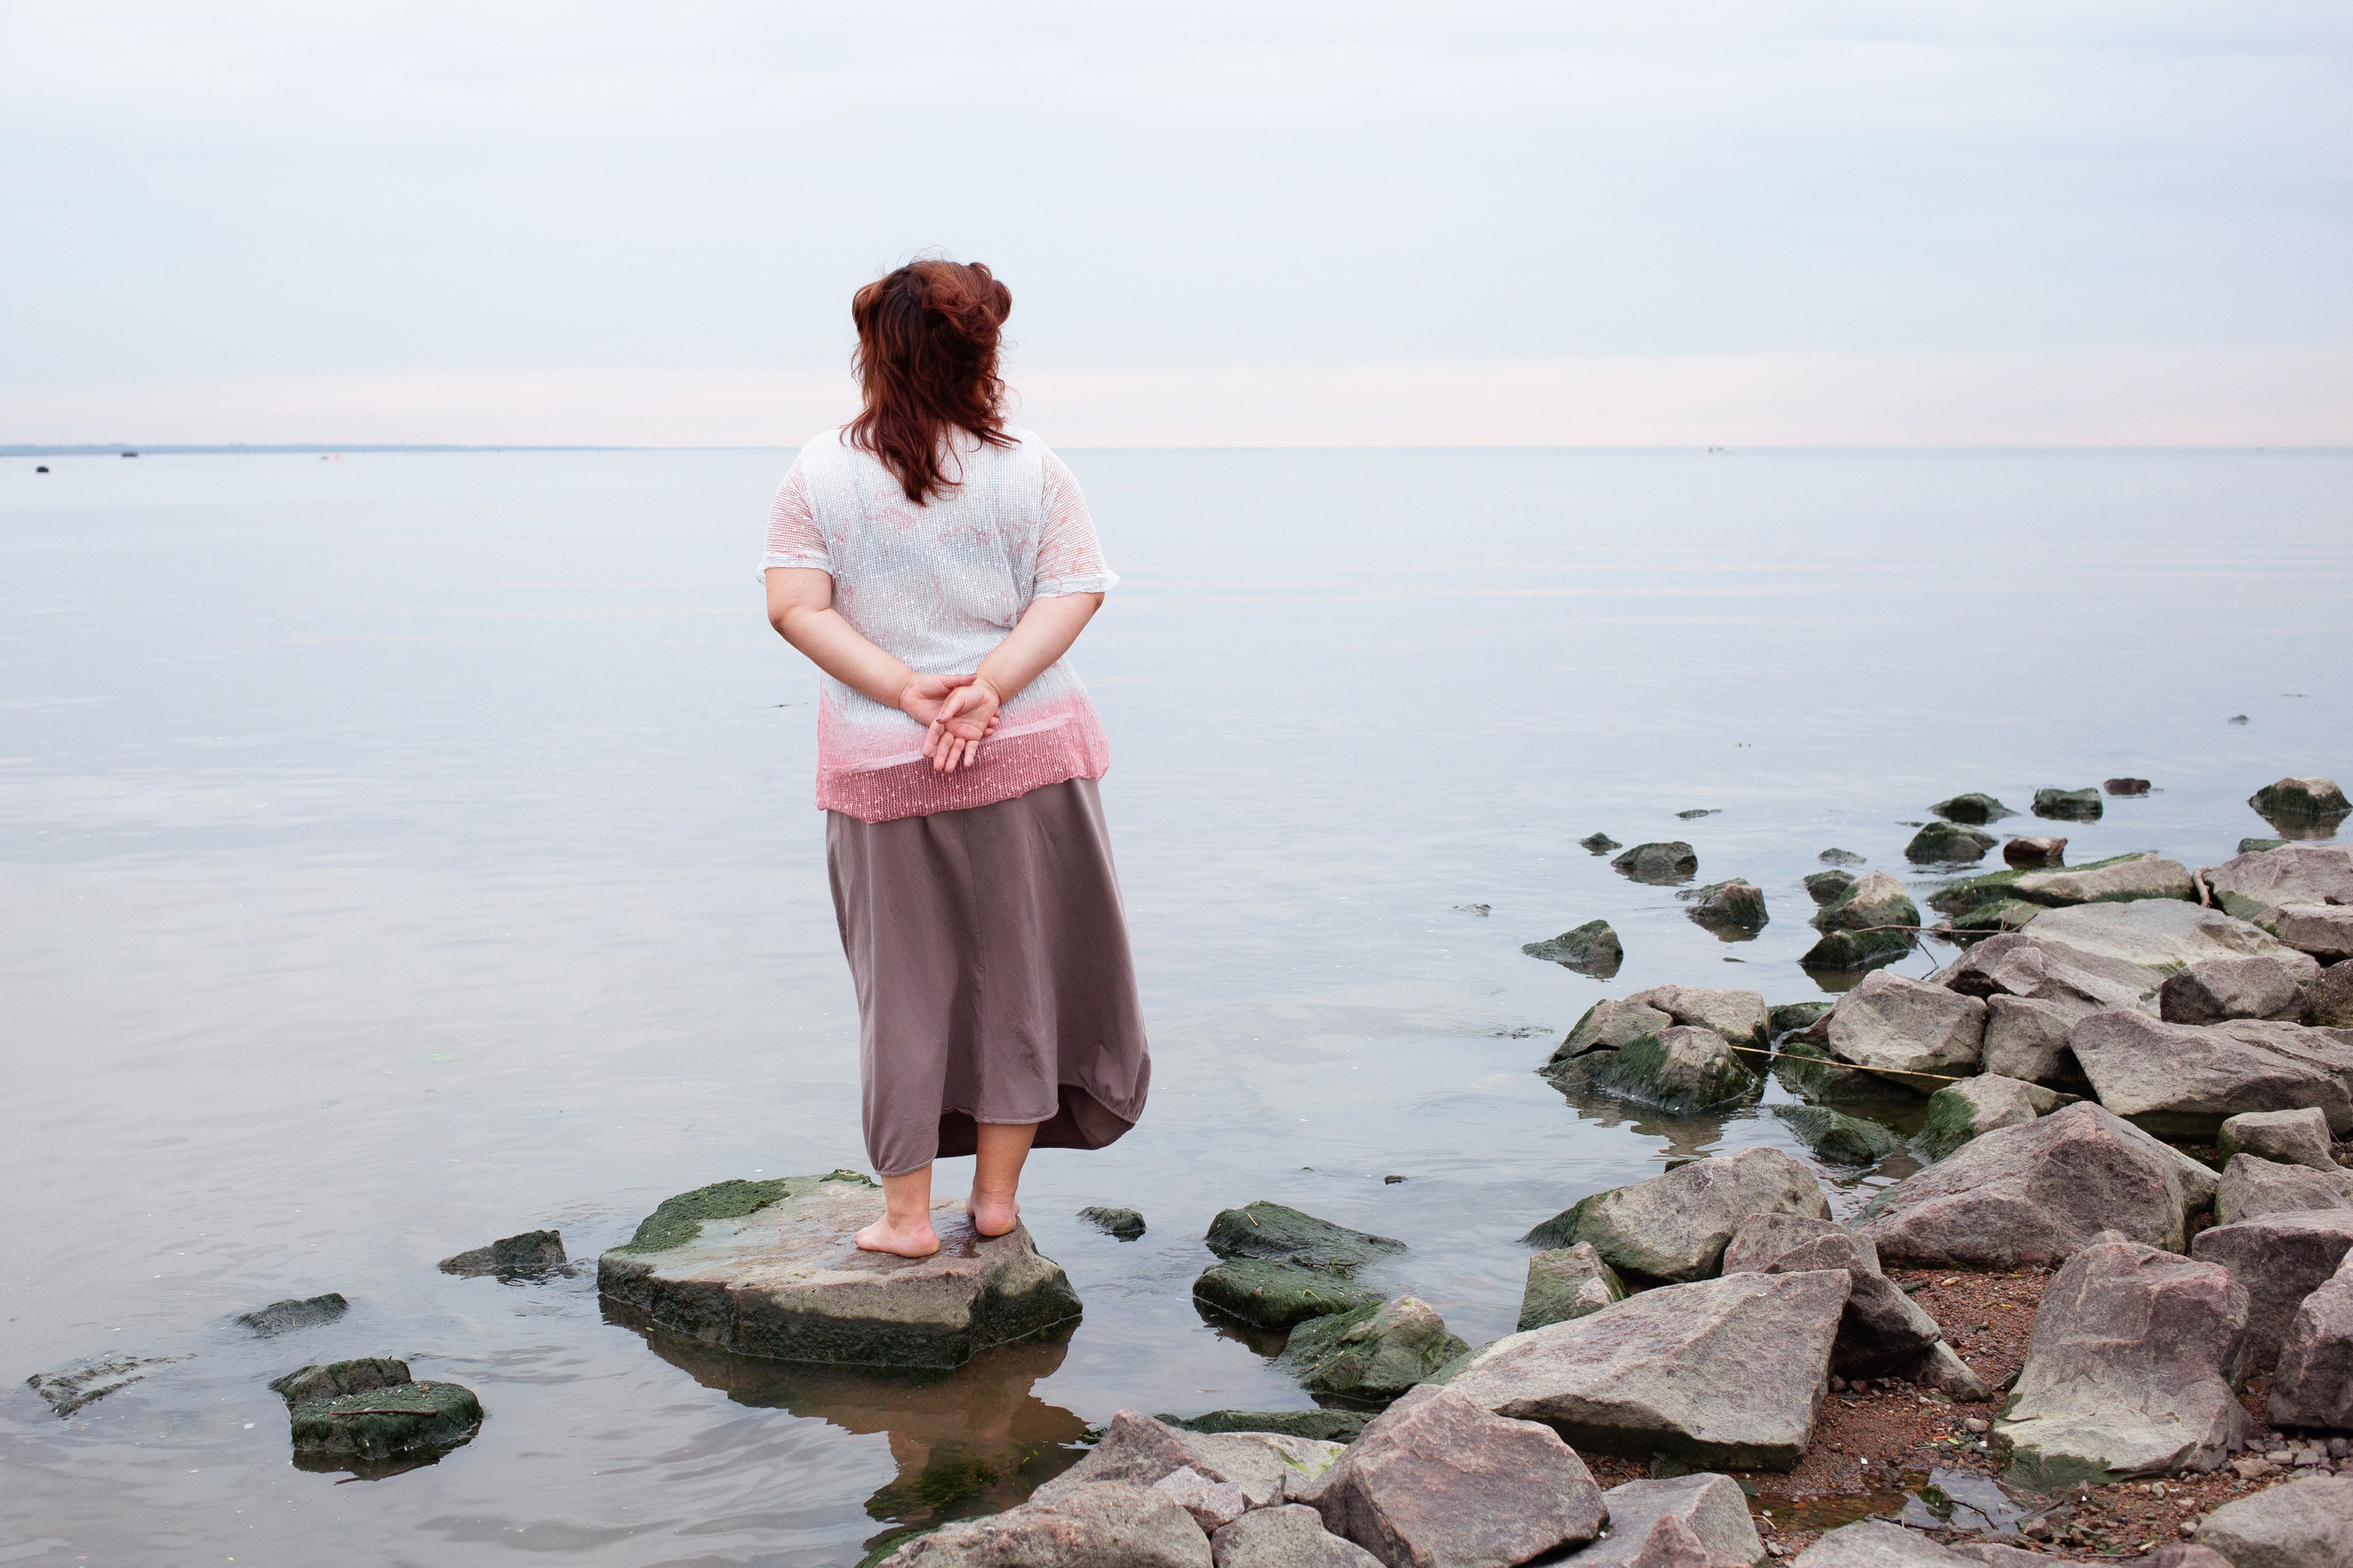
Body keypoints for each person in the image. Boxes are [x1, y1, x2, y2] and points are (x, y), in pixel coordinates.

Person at [760, 258, 1151, 1258]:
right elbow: (1074, 589)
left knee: (901, 993)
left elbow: (794, 606)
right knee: (1021, 979)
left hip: (883, 769)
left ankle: (904, 1218)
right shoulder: (1032, 467)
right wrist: (991, 687)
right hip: (1030, 755)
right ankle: (994, 1202)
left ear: (873, 352)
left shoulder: (818, 472)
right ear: (984, 353)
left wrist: (905, 689)